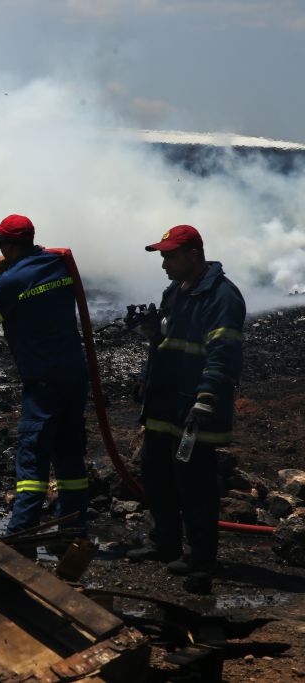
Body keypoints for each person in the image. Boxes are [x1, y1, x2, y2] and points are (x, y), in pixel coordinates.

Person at [127, 225, 245, 594]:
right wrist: (146, 371)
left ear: (194, 254)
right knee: (156, 473)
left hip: (193, 407)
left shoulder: (222, 296)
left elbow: (223, 353)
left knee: (194, 483)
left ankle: (200, 558)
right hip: (164, 403)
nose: (165, 264)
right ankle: (165, 542)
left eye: (171, 256)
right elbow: (164, 344)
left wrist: (206, 397)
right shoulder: (174, 291)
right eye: (163, 256)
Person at [0, 214, 90, 539]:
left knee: (33, 458)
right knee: (69, 457)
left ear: (7, 246)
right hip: (73, 377)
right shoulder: (57, 264)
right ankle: (72, 532)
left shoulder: (10, 282)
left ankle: (21, 535)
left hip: (43, 383)